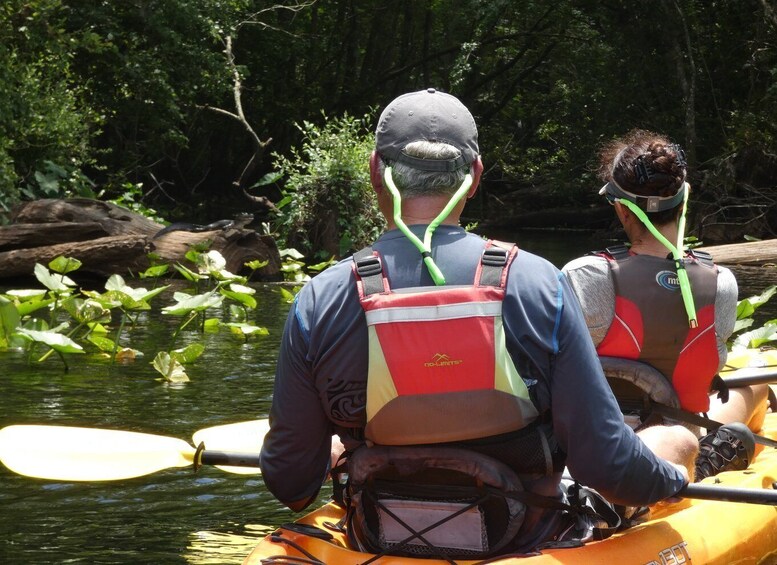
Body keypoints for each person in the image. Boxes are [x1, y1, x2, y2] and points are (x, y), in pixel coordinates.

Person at [259, 90, 688, 556]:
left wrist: (331, 454)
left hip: (381, 536)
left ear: (374, 171)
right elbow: (607, 464)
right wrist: (676, 475)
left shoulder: (318, 300)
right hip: (524, 541)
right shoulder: (538, 281)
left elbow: (292, 485)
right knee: (677, 439)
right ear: (475, 175)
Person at [562, 129, 768, 482]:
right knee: (757, 383)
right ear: (685, 200)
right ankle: (709, 454)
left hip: (602, 439)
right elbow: (702, 364)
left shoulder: (585, 275)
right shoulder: (722, 283)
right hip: (680, 433)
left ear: (621, 208)